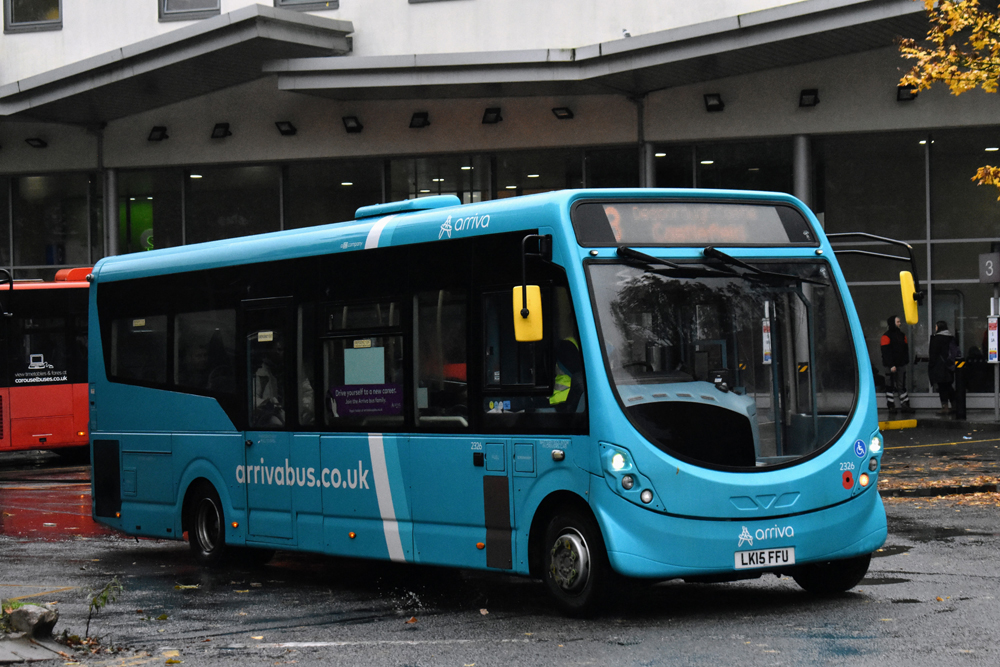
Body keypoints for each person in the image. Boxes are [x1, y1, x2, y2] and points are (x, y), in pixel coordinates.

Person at [880, 315, 913, 413]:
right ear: (892, 323)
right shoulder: (886, 336)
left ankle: (904, 405)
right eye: (898, 322)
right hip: (891, 365)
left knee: (900, 385)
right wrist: (891, 365)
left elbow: (905, 350)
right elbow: (885, 352)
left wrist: (904, 361)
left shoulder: (902, 335)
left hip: (900, 364)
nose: (900, 323)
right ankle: (892, 406)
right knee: (890, 385)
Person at [928, 321, 958, 414]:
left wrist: (931, 367)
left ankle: (945, 407)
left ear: (938, 327)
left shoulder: (936, 339)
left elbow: (933, 354)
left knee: (942, 387)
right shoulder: (951, 337)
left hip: (939, 366)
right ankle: (955, 405)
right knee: (948, 386)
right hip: (949, 366)